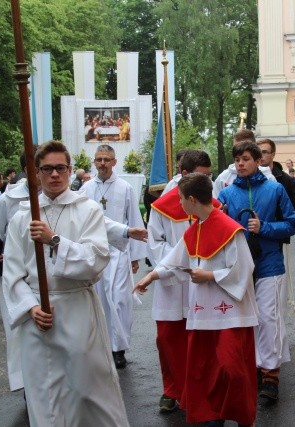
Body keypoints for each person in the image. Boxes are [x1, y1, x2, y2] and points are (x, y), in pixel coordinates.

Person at [1, 140, 129, 427]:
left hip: (77, 310)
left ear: (70, 170)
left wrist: (54, 241)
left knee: (86, 392)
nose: (54, 175)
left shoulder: (89, 210)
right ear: (36, 173)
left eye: (60, 168)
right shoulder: (23, 217)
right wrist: (31, 307)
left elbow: (96, 260)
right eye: (47, 169)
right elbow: (12, 273)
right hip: (39, 318)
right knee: (44, 396)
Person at [135, 172, 258, 427]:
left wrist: (210, 275)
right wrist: (152, 277)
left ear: (191, 200)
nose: (179, 204)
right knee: (205, 370)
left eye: (181, 199)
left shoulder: (229, 229)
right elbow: (175, 261)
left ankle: (240, 414)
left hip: (231, 314)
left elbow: (244, 269)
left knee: (231, 368)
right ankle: (212, 415)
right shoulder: (195, 230)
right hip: (203, 315)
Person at [218, 141, 295, 403]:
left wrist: (264, 227)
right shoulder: (227, 194)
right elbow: (216, 228)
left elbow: (291, 225)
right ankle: (253, 367)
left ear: (257, 161)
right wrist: (225, 221)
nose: (240, 164)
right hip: (240, 265)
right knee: (246, 319)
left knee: (269, 318)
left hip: (269, 264)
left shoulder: (275, 189)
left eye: (245, 159)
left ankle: (271, 374)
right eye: (237, 160)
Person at [146, 150, 215, 413]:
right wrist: (181, 264)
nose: (208, 181)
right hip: (172, 283)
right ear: (185, 174)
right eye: (203, 175)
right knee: (168, 338)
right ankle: (171, 389)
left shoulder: (211, 201)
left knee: (202, 337)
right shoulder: (161, 206)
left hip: (202, 280)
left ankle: (202, 389)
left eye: (209, 176)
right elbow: (155, 244)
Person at [80, 144, 145, 369]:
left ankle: (119, 348)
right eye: (99, 159)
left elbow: (134, 220)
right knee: (98, 301)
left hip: (118, 253)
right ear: (94, 162)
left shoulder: (125, 187)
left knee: (119, 300)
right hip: (93, 252)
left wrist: (136, 256)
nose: (103, 163)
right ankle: (102, 346)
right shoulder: (86, 189)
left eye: (107, 159)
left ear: (114, 162)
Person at [213, 129, 276, 198]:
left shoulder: (269, 178)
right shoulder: (223, 178)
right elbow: (216, 204)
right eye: (236, 148)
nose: (239, 151)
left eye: (246, 158)